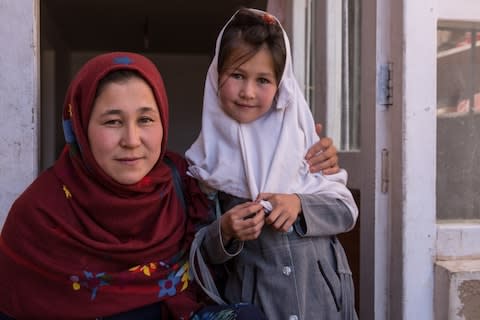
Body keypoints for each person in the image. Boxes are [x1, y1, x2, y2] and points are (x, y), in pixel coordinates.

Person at [0, 52, 338, 319]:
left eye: (145, 119)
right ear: (81, 128)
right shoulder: (39, 215)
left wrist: (306, 153)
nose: (131, 140)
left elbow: (256, 172)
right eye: (112, 121)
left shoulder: (189, 184)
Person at [187, 8, 359, 320]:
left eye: (263, 80)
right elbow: (197, 254)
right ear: (216, 76)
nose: (248, 92)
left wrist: (299, 204)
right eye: (237, 75)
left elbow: (346, 212)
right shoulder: (203, 166)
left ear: (281, 85)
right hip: (259, 309)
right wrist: (225, 231)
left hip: (323, 306)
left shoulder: (306, 144)